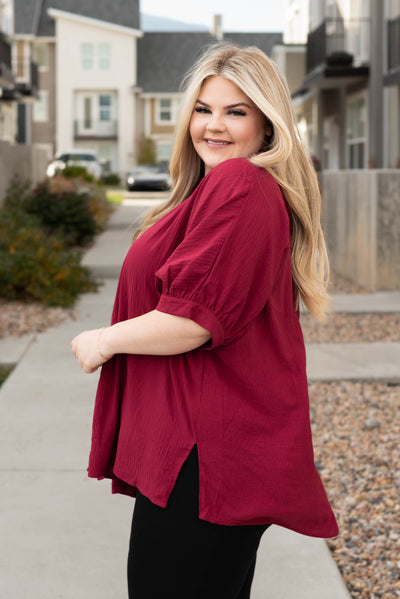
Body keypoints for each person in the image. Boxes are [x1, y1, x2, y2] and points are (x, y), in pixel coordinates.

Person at [71, 43, 338, 599]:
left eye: (236, 111)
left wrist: (103, 340)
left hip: (204, 458)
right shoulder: (218, 192)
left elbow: (194, 321)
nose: (213, 126)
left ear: (268, 125)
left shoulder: (241, 185)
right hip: (198, 453)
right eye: (203, 109)